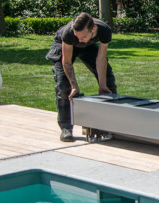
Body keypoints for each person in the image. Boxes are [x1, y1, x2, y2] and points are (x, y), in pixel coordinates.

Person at [47, 12, 116, 142]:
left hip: (89, 47)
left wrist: (102, 85)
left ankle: (109, 124)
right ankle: (66, 127)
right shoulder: (69, 33)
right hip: (64, 47)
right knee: (63, 86)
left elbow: (101, 59)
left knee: (108, 80)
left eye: (83, 36)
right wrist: (74, 86)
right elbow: (66, 62)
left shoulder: (104, 30)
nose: (79, 40)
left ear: (93, 29)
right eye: (77, 36)